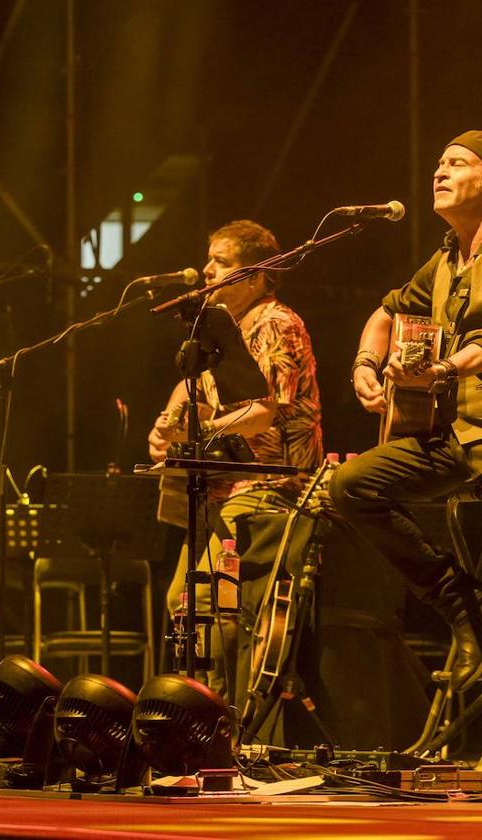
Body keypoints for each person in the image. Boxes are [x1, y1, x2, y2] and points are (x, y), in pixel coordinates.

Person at [330, 130, 482, 795]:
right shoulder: (445, 258)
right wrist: (364, 363)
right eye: (439, 161)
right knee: (352, 486)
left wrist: (440, 367)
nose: (439, 170)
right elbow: (387, 311)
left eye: (457, 163)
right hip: (462, 433)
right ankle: (460, 610)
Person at [148, 219, 323, 704]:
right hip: (225, 487)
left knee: (209, 597)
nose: (205, 270)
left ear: (254, 276)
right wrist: (166, 425)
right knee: (184, 599)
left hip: (270, 485)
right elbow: (195, 395)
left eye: (220, 262)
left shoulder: (274, 323)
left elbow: (263, 411)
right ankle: (203, 713)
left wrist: (196, 435)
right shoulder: (223, 329)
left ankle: (224, 720)